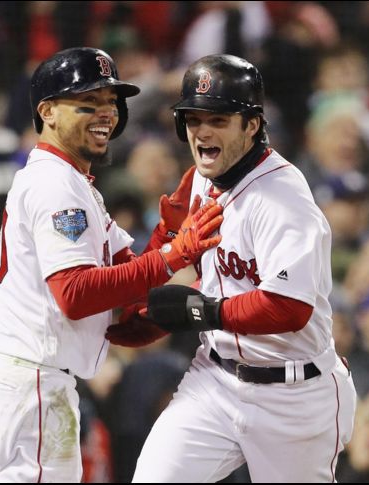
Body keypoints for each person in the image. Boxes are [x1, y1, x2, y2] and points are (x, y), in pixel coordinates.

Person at [0, 46, 225, 482]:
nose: (105, 114)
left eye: (111, 102)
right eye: (87, 103)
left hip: (26, 379)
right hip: (27, 380)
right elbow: (75, 294)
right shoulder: (56, 183)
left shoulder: (72, 181)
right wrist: (172, 255)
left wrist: (167, 242)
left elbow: (122, 291)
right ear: (47, 111)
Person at [133, 54, 357, 482]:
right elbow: (179, 236)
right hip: (215, 380)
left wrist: (204, 311)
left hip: (295, 396)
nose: (201, 131)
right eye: (192, 119)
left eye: (217, 119)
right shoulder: (204, 175)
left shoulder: (284, 200)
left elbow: (288, 308)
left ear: (251, 124)